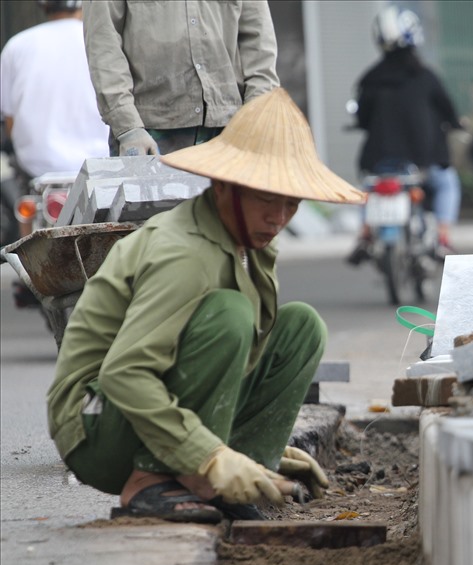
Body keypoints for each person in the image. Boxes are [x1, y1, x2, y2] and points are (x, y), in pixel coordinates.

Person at [46, 88, 366, 523]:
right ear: (226, 187)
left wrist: (246, 451)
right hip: (96, 424)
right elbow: (125, 374)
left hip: (146, 414)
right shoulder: (184, 253)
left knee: (301, 328)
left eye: (291, 203)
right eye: (266, 199)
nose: (279, 218)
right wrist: (208, 456)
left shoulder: (251, 244)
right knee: (230, 315)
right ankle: (150, 480)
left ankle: (239, 477)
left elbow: (235, 366)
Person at [82, 0, 279, 157]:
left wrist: (256, 121)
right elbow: (104, 43)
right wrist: (128, 128)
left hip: (230, 132)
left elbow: (259, 47)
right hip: (149, 135)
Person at [348, 5, 463, 264]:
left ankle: (365, 234)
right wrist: (456, 124)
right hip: (424, 161)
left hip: (379, 161)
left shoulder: (370, 79)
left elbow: (362, 119)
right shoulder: (427, 77)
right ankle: (443, 238)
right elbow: (448, 110)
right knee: (447, 183)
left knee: (368, 190)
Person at [0, 0, 109, 180]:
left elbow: (10, 121)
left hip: (37, 169)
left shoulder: (16, 46)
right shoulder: (102, 42)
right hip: (101, 166)